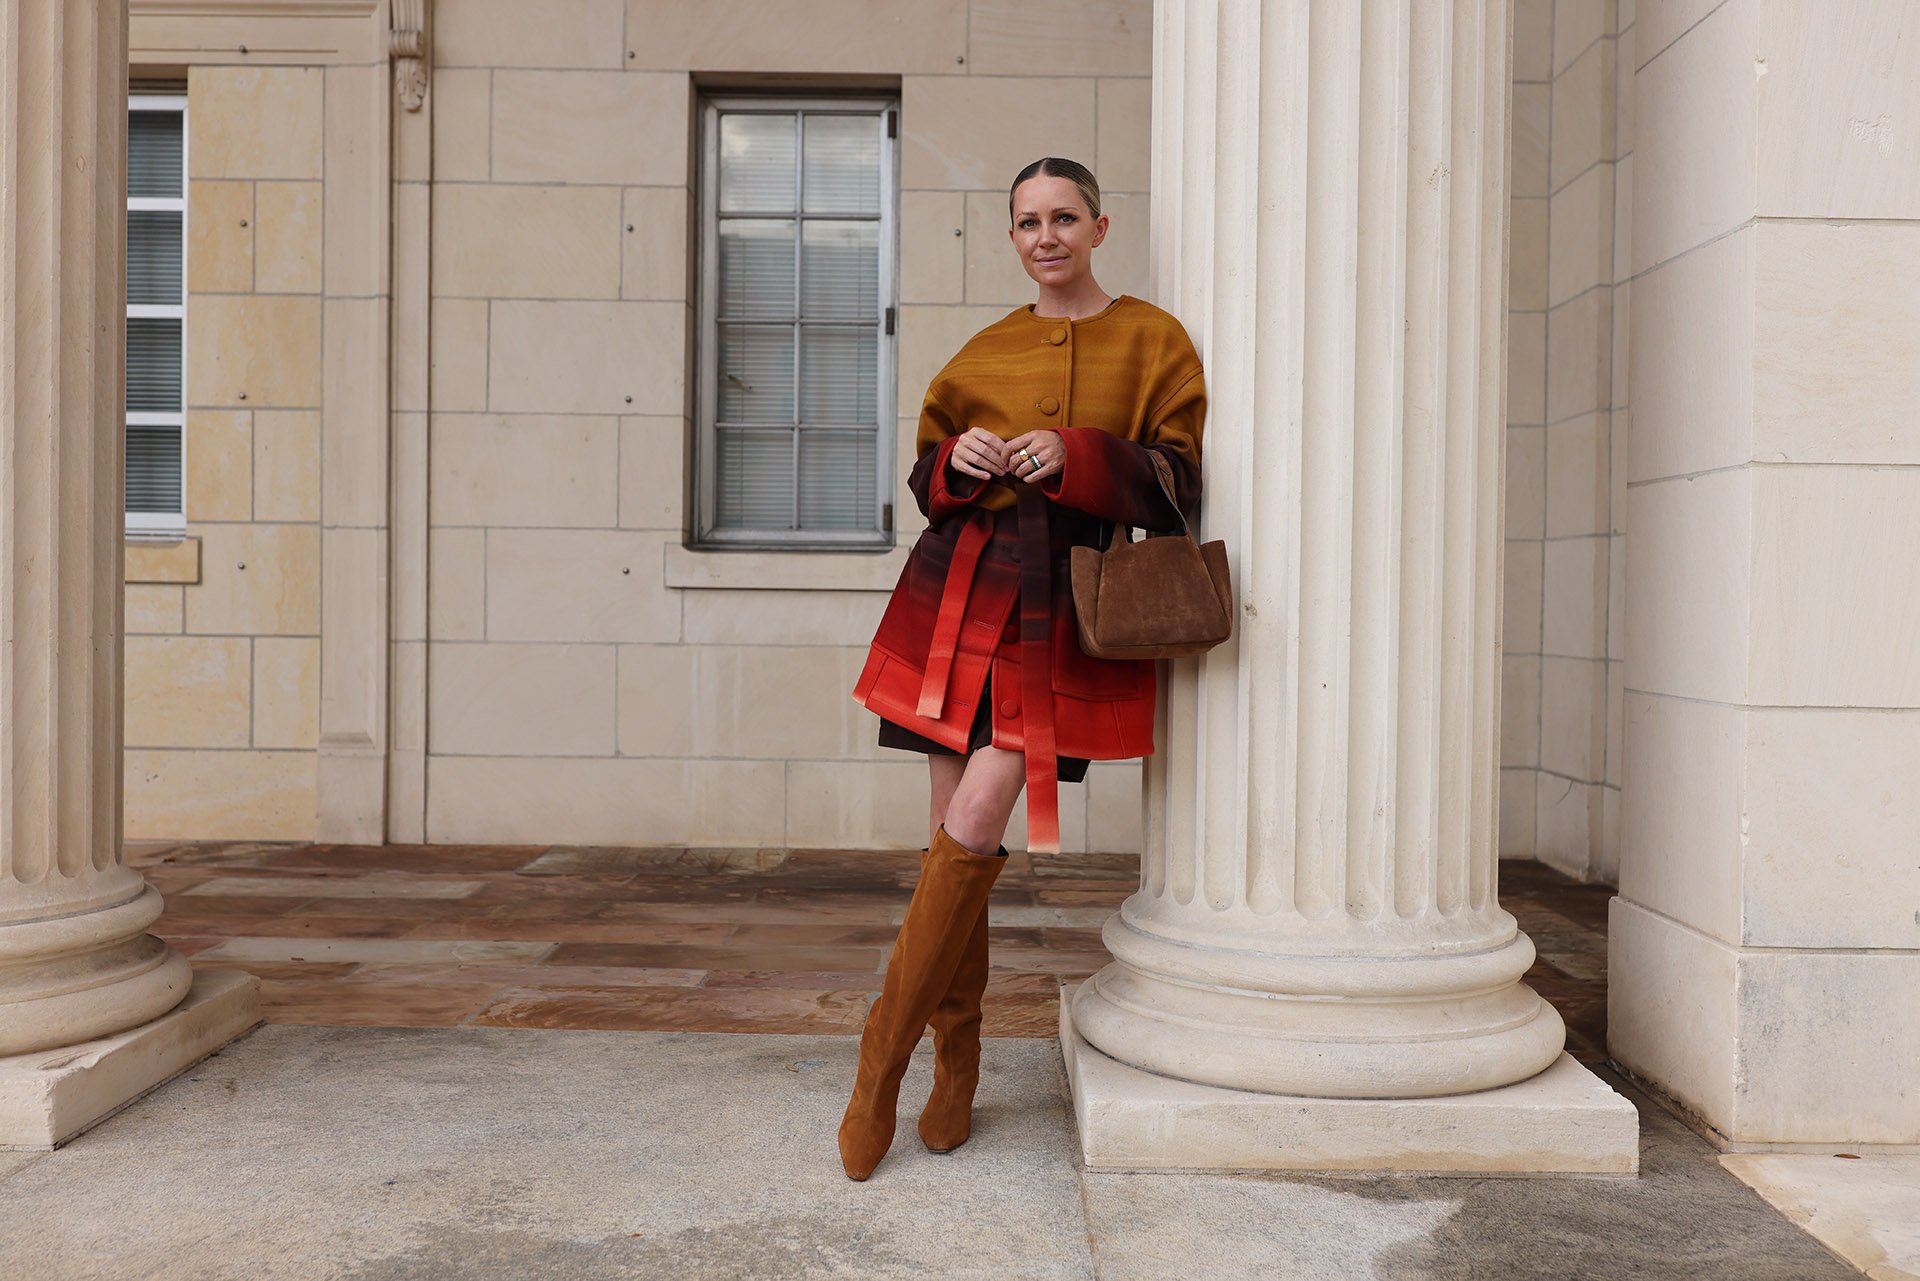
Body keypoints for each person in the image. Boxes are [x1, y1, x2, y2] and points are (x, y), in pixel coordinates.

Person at [838, 157, 1208, 1181]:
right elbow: (926, 470)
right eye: (1027, 222)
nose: (1045, 236)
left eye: (1063, 218)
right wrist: (956, 466)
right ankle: (958, 1065)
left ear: (1099, 225)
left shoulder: (1154, 339)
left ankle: (879, 1067)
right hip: (954, 594)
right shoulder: (981, 348)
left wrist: (1081, 456)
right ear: (1014, 237)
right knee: (948, 847)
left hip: (1059, 609)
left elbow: (1180, 473)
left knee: (971, 828)